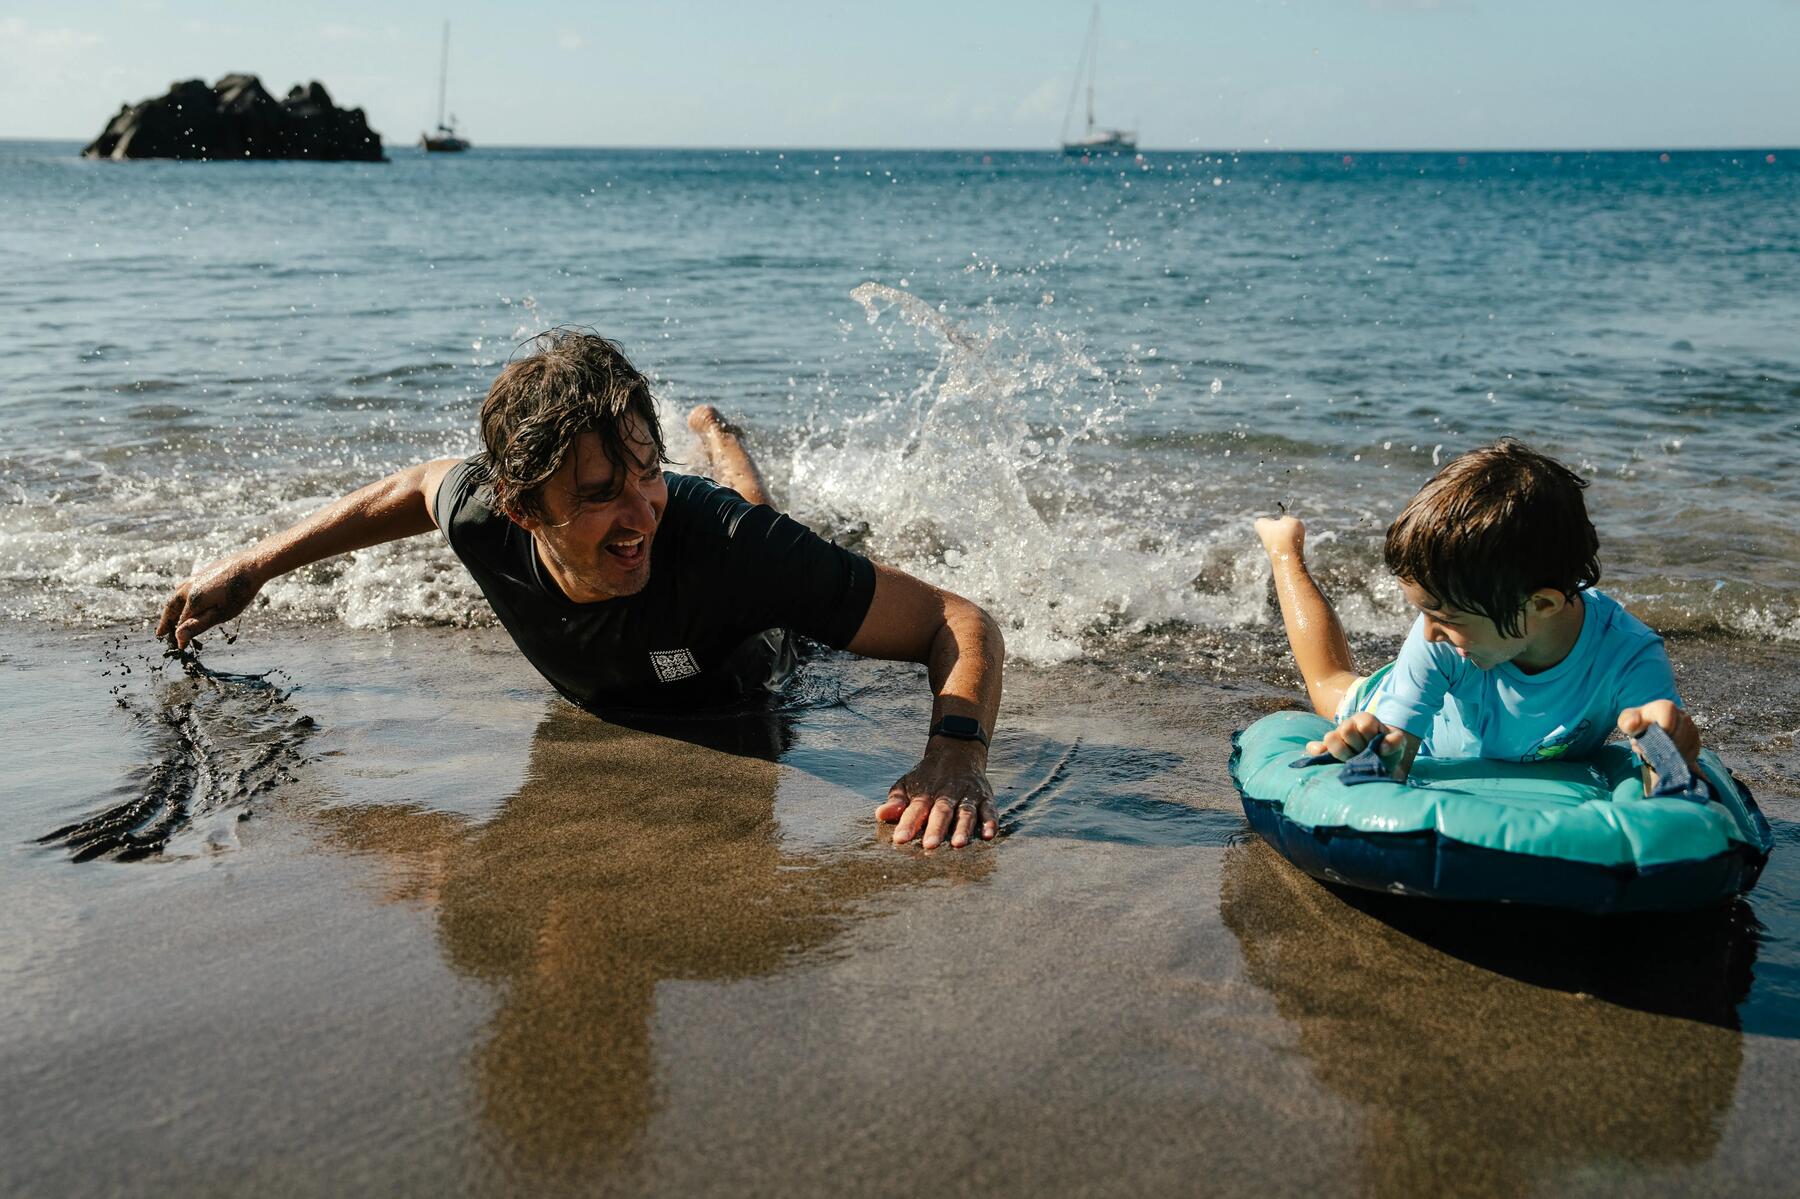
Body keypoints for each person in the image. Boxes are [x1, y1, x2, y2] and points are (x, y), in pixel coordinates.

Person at [157, 328, 1004, 851]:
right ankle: (715, 438)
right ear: (524, 507)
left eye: (647, 470)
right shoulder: (486, 515)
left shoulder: (722, 545)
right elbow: (418, 485)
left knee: (750, 511)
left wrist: (956, 754)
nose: (640, 510)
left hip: (754, 651)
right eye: (600, 492)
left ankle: (716, 436)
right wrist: (251, 566)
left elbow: (957, 619)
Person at [1253, 439, 1698, 785]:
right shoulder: (1439, 644)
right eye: (1425, 613)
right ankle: (1284, 549)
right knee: (1329, 682)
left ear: (1541, 604)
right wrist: (1374, 752)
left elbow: (1663, 763)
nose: (1428, 633)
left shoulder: (1627, 654)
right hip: (1393, 704)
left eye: (1447, 619)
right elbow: (1394, 757)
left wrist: (1668, 746)